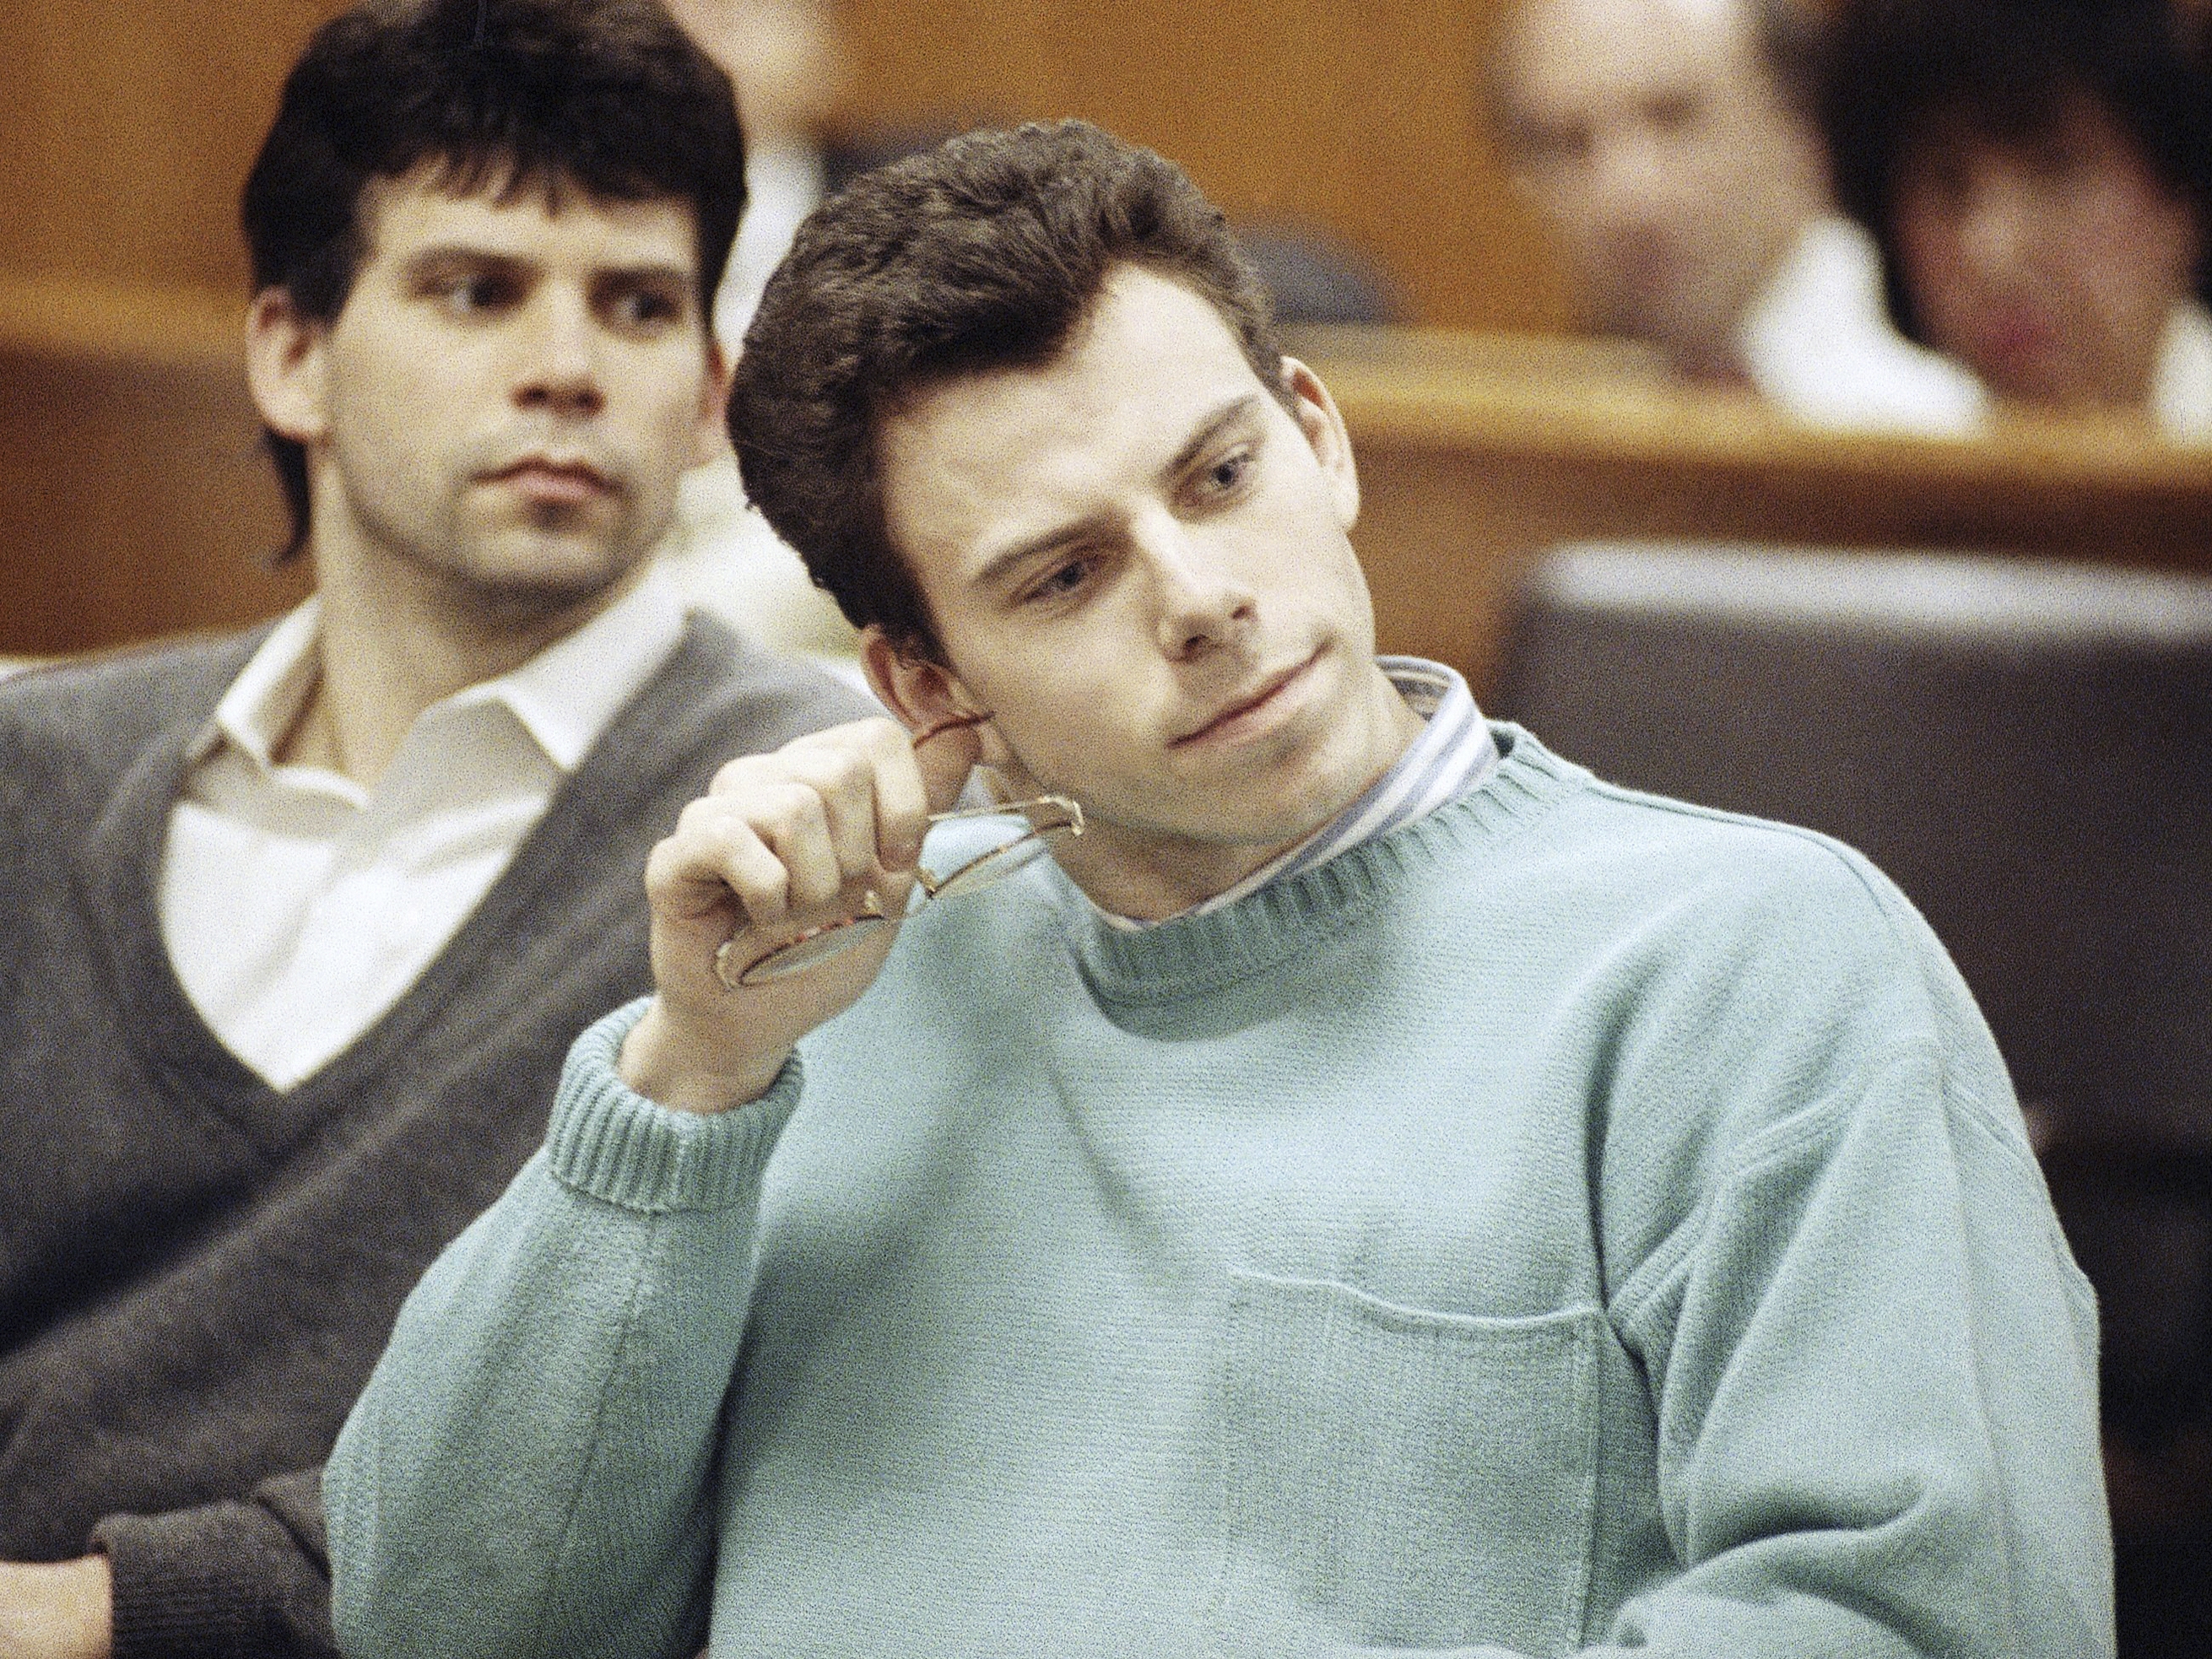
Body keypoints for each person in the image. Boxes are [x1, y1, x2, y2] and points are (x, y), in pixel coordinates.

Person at [326, 119, 2112, 1656]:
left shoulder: (1756, 963)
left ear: (1316, 437)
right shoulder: (809, 986)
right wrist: (687, 1085)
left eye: (1218, 474)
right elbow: (433, 1612)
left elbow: (1916, 1617)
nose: (1194, 594)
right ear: (924, 686)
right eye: (1059, 573)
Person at [0, 2, 872, 1654]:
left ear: (706, 398)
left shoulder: (807, 822)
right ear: (289, 352)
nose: (563, 363)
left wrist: (89, 1610)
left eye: (632, 304)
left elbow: (676, 1456)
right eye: (475, 291)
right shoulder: (31, 765)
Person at [1489, 0, 1984, 433]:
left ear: (1805, 124)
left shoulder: (1956, 404)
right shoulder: (1533, 442)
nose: (1629, 200)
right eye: (1567, 145)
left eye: (1675, 118)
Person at [1819, 0, 2212, 439]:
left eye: (2056, 170)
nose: (1993, 251)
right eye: (1947, 184)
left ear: (2181, 191)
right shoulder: (1865, 469)